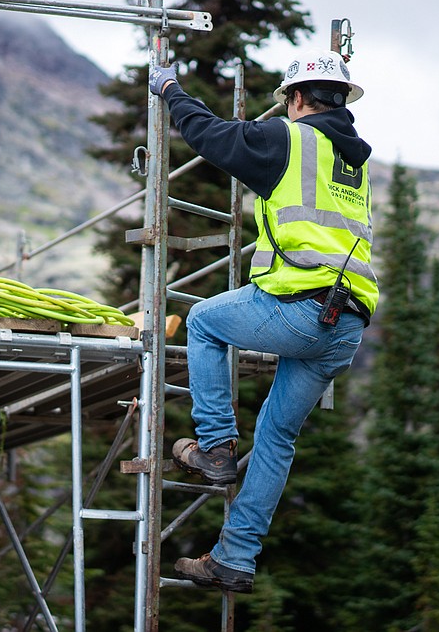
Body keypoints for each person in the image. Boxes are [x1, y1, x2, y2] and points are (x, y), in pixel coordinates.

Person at [148, 50, 380, 594]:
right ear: (341, 101)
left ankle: (216, 446)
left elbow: (210, 136)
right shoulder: (355, 164)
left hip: (302, 308)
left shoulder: (289, 138)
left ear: (297, 99)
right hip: (345, 325)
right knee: (277, 439)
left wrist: (170, 91)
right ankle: (234, 559)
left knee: (203, 321)